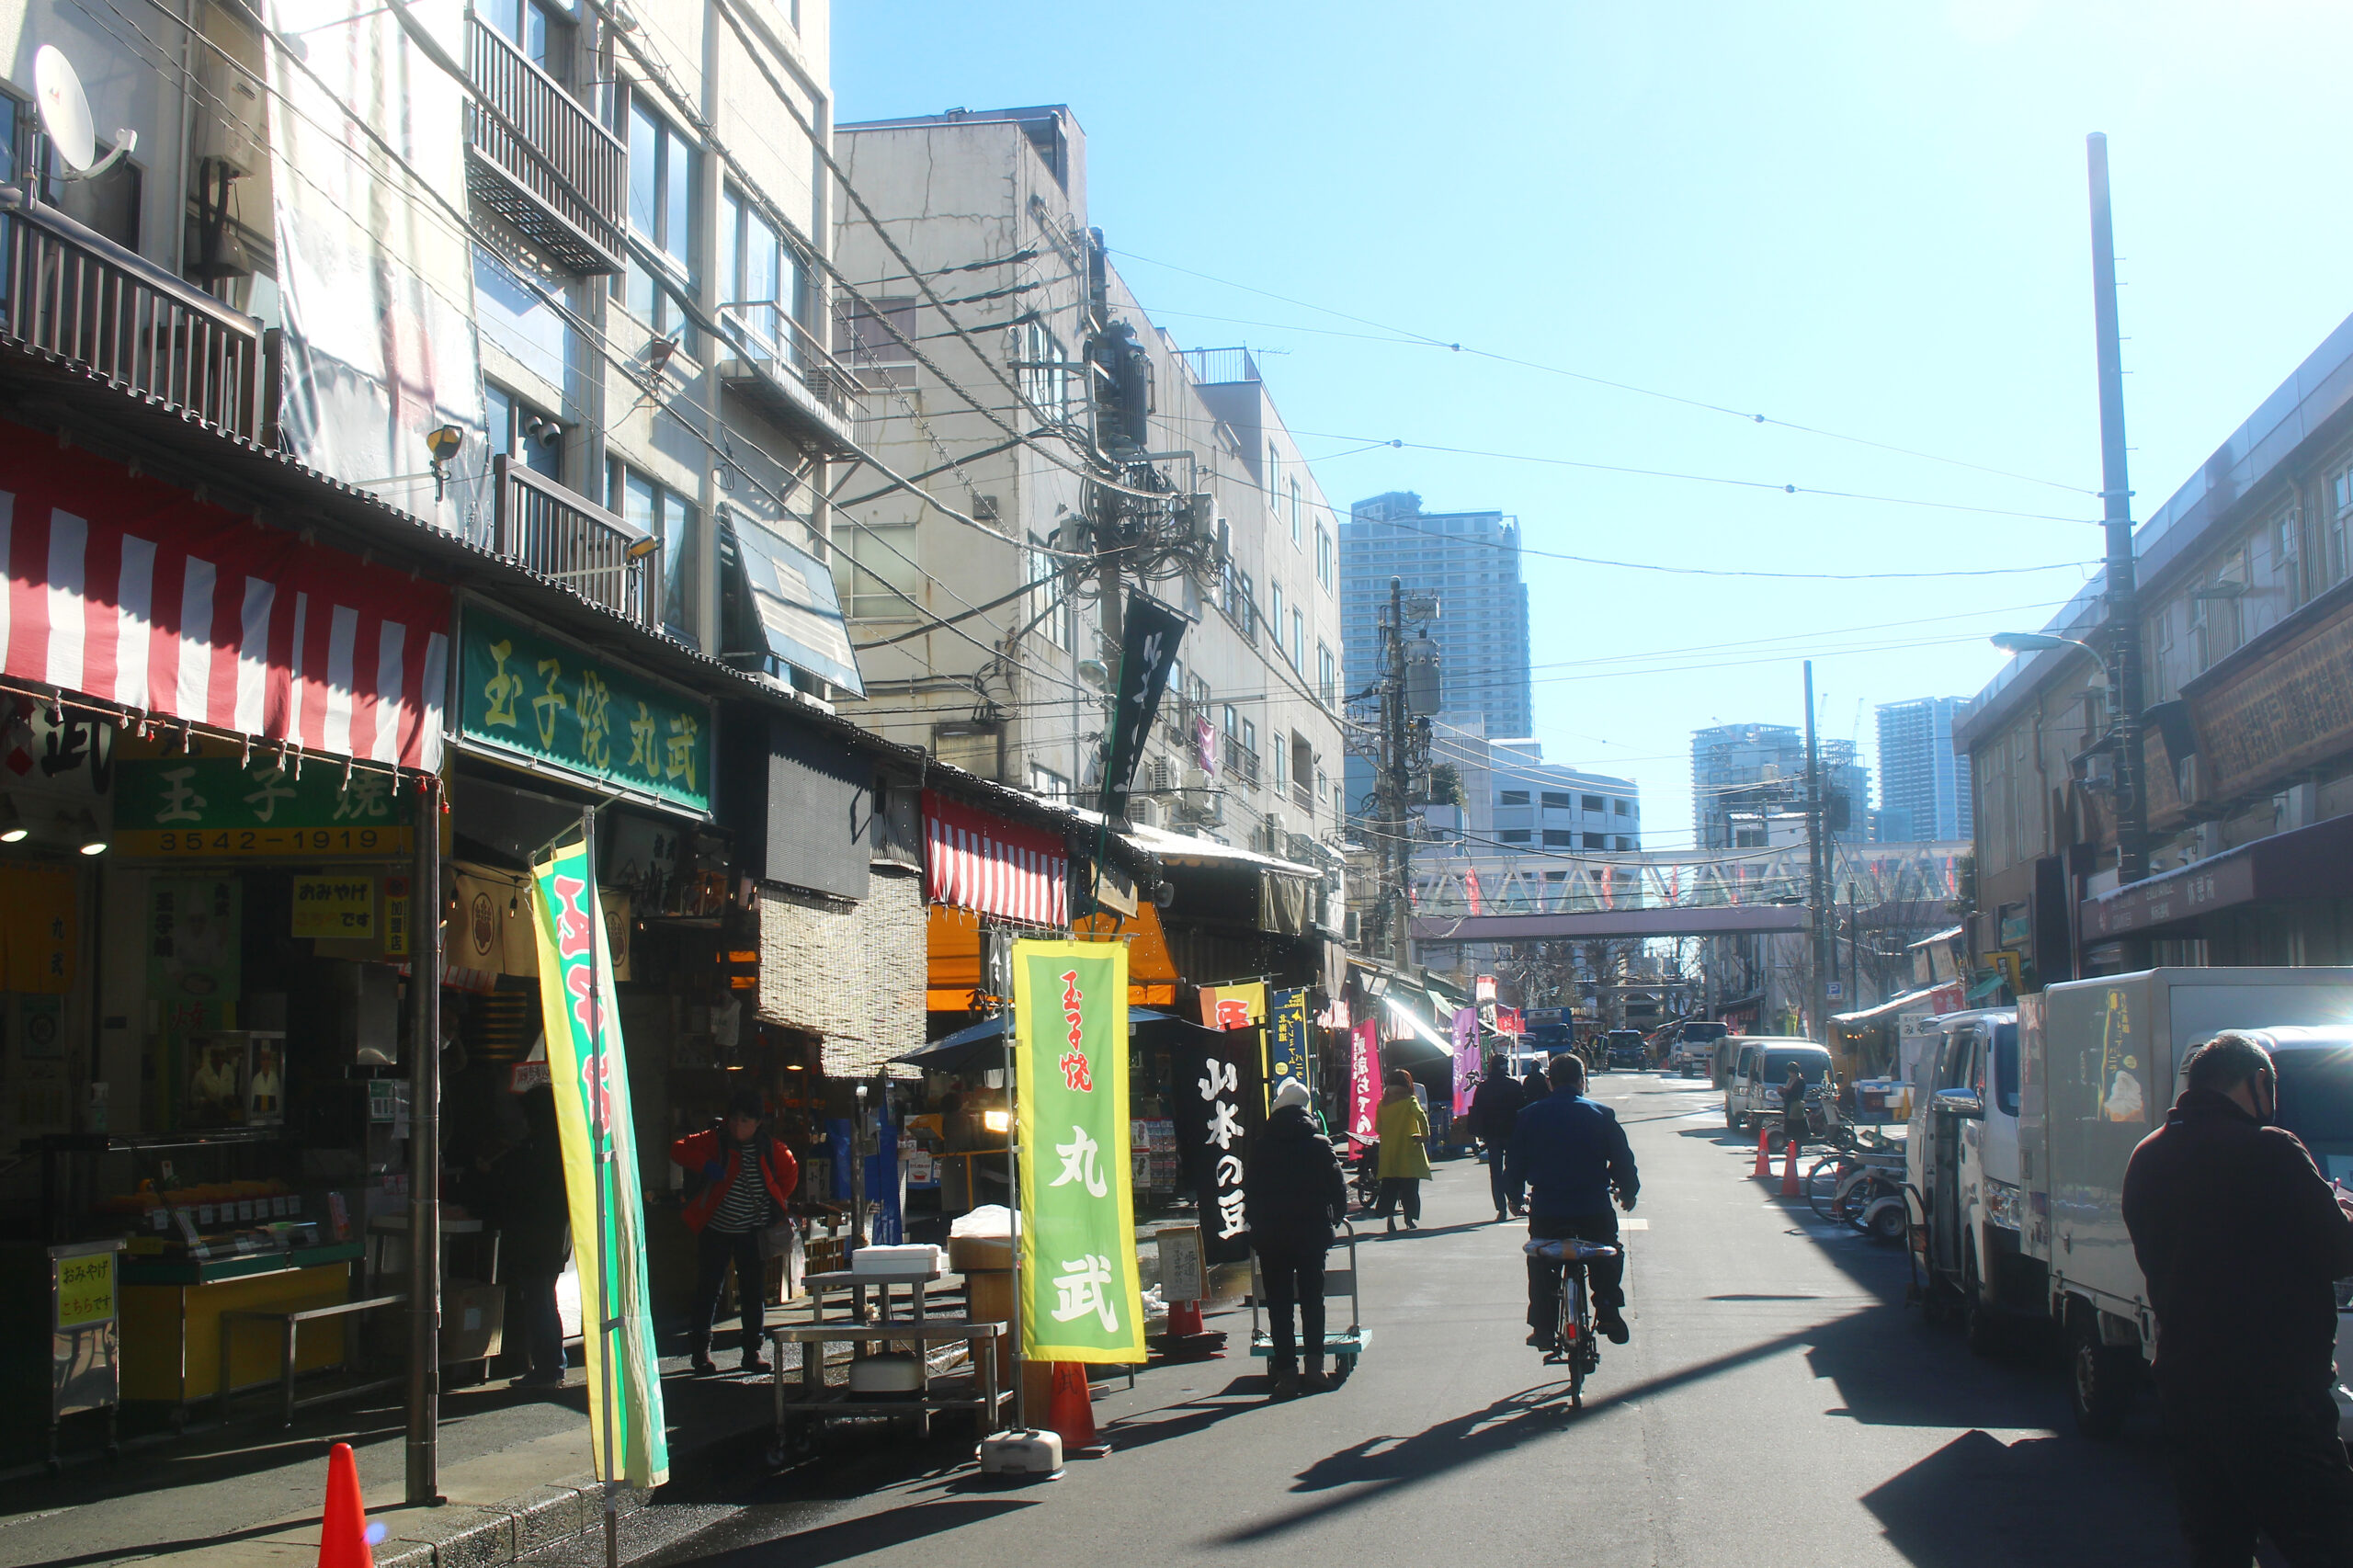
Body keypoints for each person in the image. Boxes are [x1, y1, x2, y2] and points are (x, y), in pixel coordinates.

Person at [2121, 1033, 2353, 1567]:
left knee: (2217, 1547)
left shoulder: (2148, 1155)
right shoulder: (2271, 1149)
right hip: (2275, 1395)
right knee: (2330, 1542)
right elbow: (2340, 1252)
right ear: (2256, 1084)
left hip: (2187, 1391)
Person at [1509, 1052, 1638, 1348]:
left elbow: (1514, 1164)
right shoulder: (1601, 1115)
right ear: (1582, 1081)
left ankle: (1543, 1325)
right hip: (1592, 1207)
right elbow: (1622, 1160)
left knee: (1541, 1261)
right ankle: (1607, 1309)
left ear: (1550, 1083)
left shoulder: (1529, 1115)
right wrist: (1628, 1192)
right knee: (1608, 1251)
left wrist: (1515, 1198)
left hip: (1548, 1209)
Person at [670, 1089, 800, 1374]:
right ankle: (701, 1352)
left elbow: (790, 1172)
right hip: (716, 1228)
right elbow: (678, 1148)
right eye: (734, 1120)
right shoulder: (715, 1140)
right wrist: (706, 1165)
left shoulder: (771, 1149)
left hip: (752, 1232)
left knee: (753, 1292)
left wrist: (773, 1199)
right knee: (709, 1290)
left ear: (757, 1123)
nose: (738, 1126)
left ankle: (753, 1352)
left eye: (745, 1121)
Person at [1246, 1076, 1348, 1399]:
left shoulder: (1262, 1146)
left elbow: (1249, 1189)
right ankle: (1315, 1370)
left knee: (1278, 1303)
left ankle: (1287, 1374)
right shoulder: (1319, 1144)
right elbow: (1338, 1187)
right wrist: (1335, 1215)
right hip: (1311, 1233)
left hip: (1272, 1236)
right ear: (1305, 1109)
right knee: (1311, 1301)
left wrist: (1258, 1221)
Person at [494, 1085, 571, 1387]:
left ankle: (549, 1367)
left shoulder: (534, 1150)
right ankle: (552, 1364)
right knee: (544, 1299)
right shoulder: (561, 1146)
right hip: (555, 1237)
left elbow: (519, 1189)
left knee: (539, 1301)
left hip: (536, 1237)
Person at [1373, 1069, 1431, 1232]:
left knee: (1389, 1187)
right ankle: (1409, 1219)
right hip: (1408, 1150)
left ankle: (1390, 1219)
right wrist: (1424, 1135)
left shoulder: (1382, 1103)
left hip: (1388, 1152)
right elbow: (1421, 1116)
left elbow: (1378, 1127)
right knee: (1410, 1187)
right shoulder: (1409, 1100)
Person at [1470, 1068, 1525, 1222]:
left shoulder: (1483, 1087)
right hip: (1512, 1133)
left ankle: (1501, 1209)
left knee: (1495, 1172)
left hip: (1491, 1134)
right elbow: (1523, 1108)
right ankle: (1516, 1201)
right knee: (1515, 1169)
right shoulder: (1514, 1085)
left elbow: (1477, 1110)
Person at [1781, 1058, 1811, 1153]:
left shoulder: (1800, 1081)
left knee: (1796, 1128)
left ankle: (1797, 1149)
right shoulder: (1789, 1080)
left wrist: (1786, 1092)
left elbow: (1797, 1095)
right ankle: (1792, 1147)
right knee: (1791, 1129)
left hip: (1795, 1107)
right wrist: (1782, 1093)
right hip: (1789, 1106)